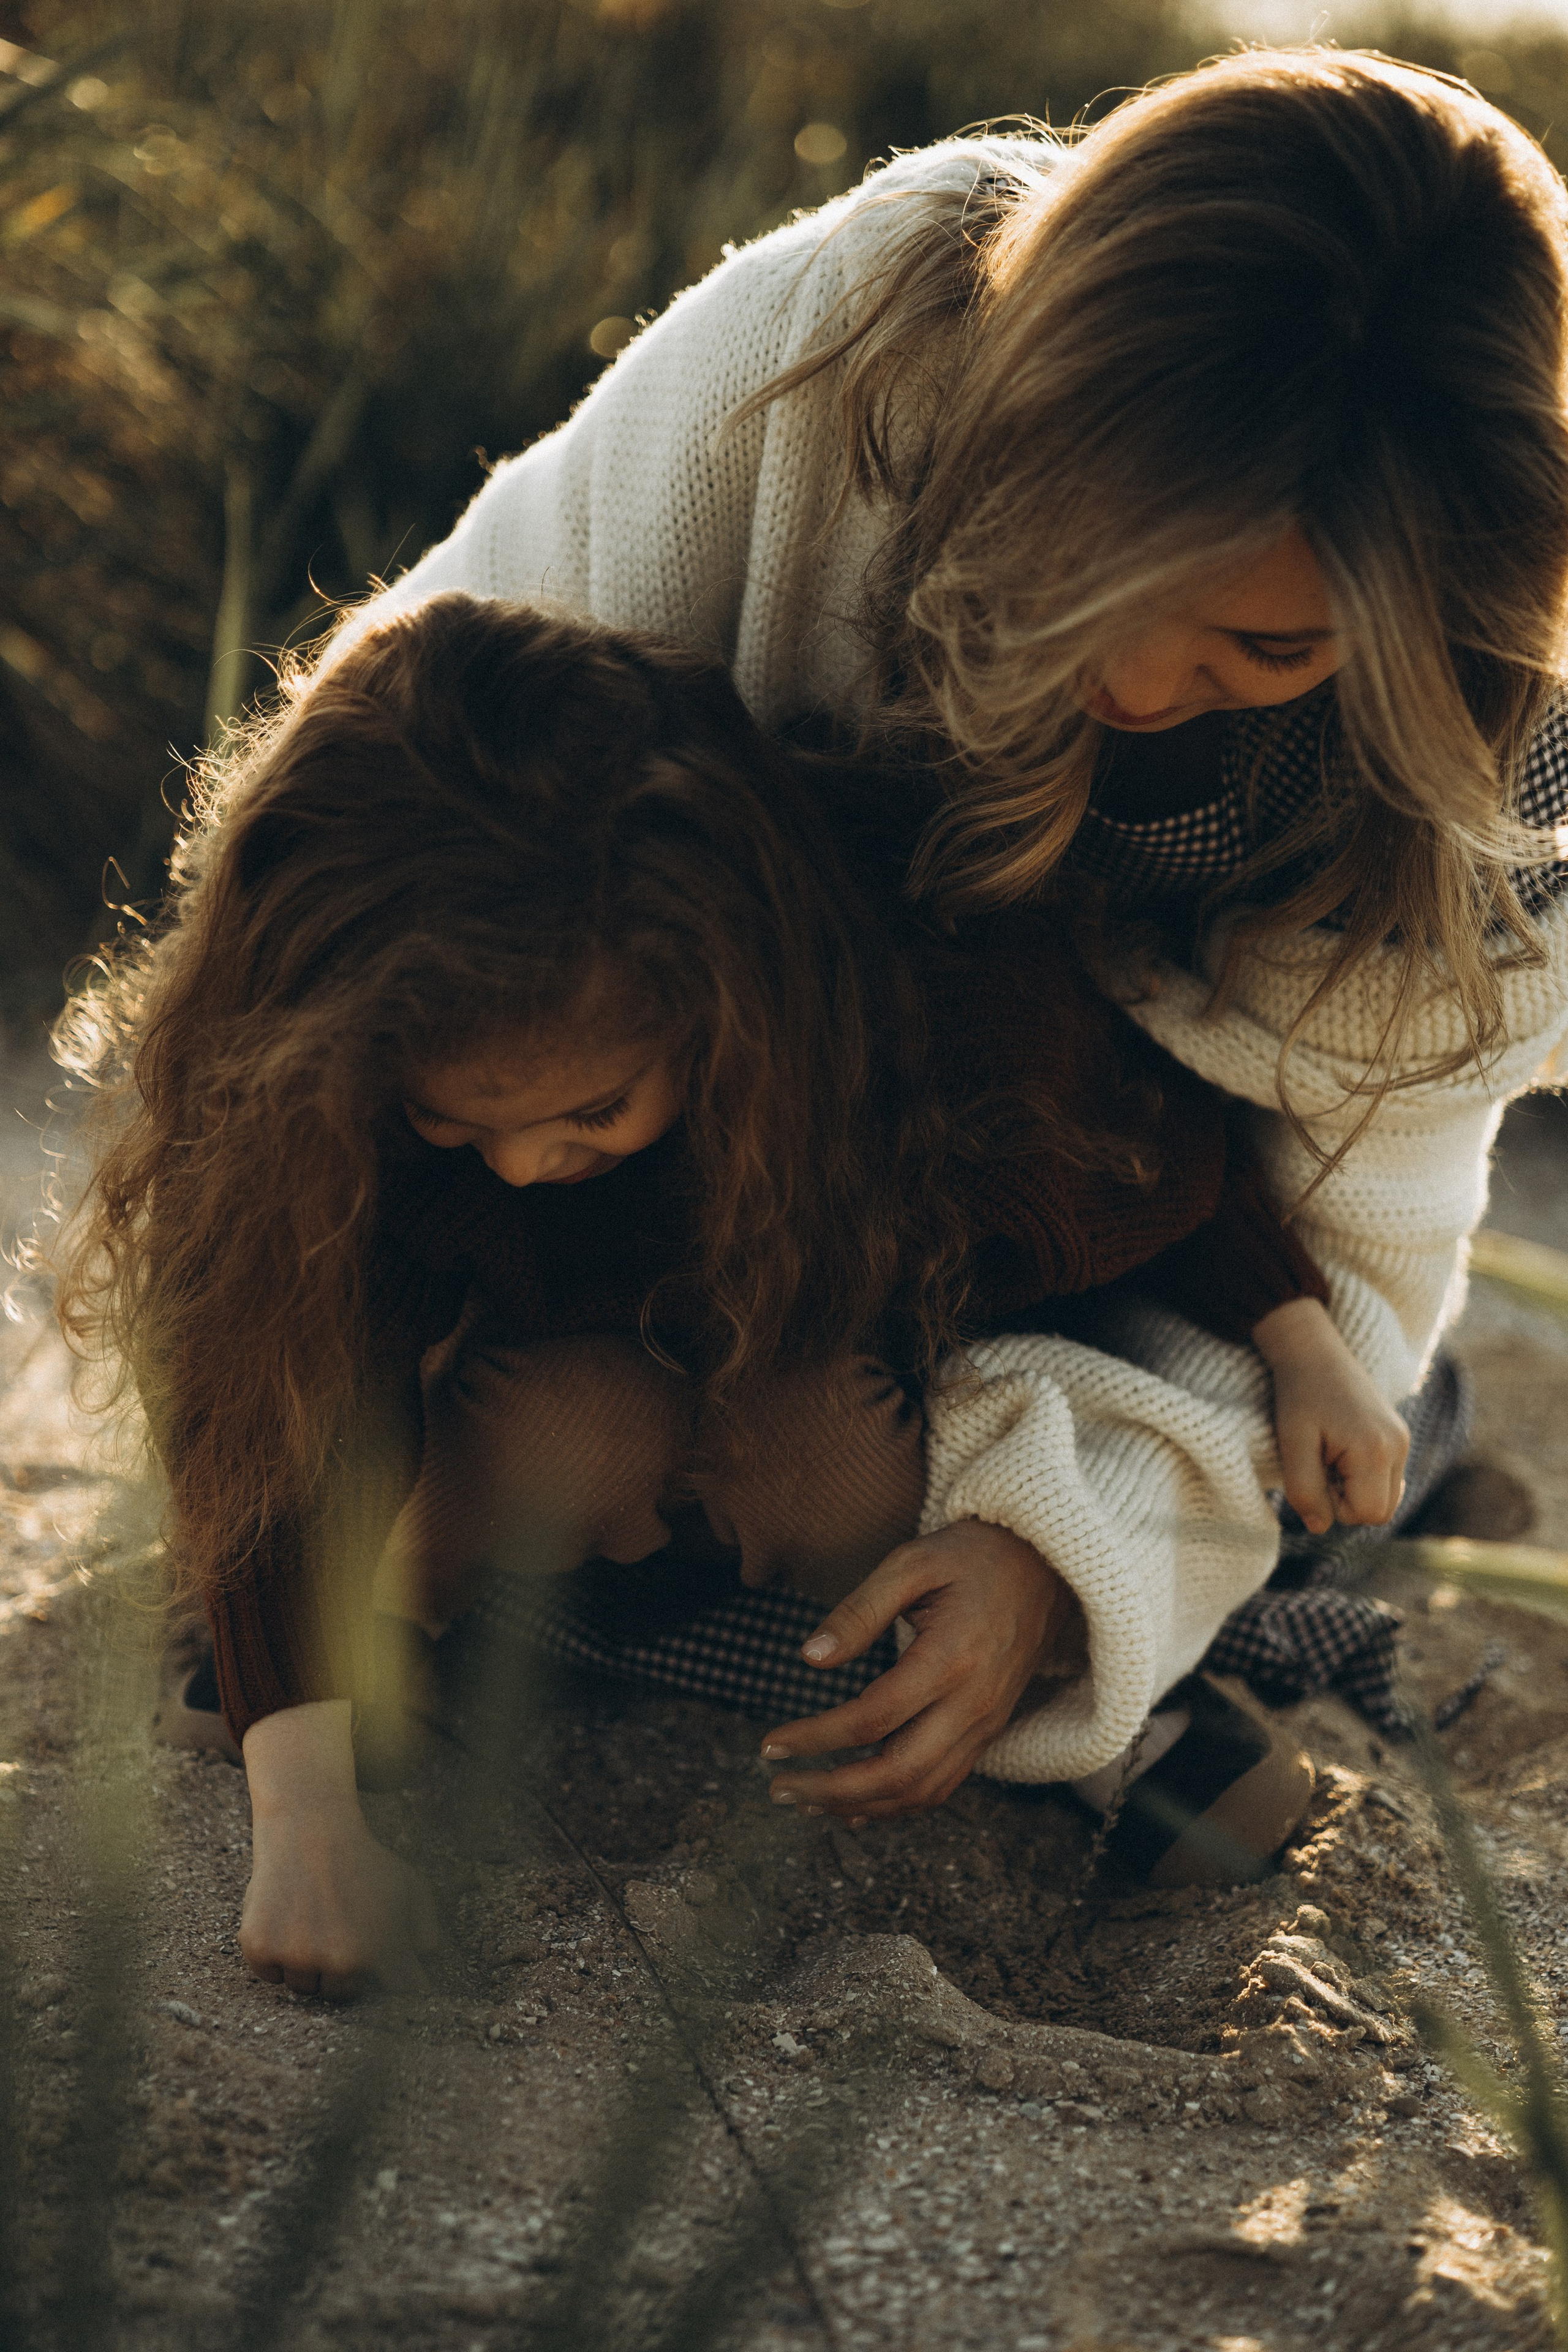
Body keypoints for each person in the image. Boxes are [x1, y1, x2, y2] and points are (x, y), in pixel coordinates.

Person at [56, 594, 1408, 1994]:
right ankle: (365, 1644)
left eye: (592, 1110)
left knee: (821, 1439)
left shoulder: (907, 988)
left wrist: (1299, 1338)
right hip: (515, 1469)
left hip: (806, 1433)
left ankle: (1089, 1717)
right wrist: (306, 1822)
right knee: (559, 1432)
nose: (524, 1167)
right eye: (460, 1124)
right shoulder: (357, 1116)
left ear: (722, 999)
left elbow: (1139, 1155)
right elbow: (281, 1418)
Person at [334, 48, 1568, 1555]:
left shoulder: (1507, 784)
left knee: (888, 1544)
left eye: (1265, 647)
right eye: (1096, 556)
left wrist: (1055, 1564)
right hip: (647, 1203)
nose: (1128, 670)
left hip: (1073, 1230)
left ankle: (1380, 1475)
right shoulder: (858, 353)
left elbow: (1350, 1245)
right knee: (540, 1481)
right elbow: (389, 816)